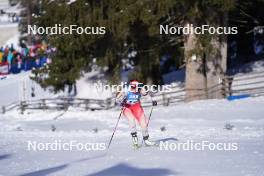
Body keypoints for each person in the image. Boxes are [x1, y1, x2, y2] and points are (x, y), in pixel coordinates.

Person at [116, 80, 157, 147]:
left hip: (136, 106)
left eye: (135, 87)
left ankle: (146, 140)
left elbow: (146, 95)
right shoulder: (126, 89)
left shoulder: (141, 88)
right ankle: (135, 142)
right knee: (132, 123)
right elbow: (117, 99)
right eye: (132, 87)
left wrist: (153, 101)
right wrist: (121, 102)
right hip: (127, 107)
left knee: (143, 124)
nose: (133, 89)